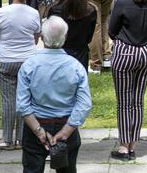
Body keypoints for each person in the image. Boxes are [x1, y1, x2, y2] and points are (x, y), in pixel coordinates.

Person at [16, 16, 92, 173]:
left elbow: (23, 105)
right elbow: (84, 104)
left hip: (35, 123)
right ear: (64, 38)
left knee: (32, 169)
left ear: (42, 38)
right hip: (66, 123)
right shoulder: (76, 67)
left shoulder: (29, 65)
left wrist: (39, 131)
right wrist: (66, 131)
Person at [108, 0, 147, 161]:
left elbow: (112, 29)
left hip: (125, 51)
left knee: (124, 102)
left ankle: (124, 147)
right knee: (137, 101)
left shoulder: (122, 2)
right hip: (145, 50)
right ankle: (133, 143)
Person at [0, 0, 41, 150]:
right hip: (28, 61)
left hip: (5, 61)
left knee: (8, 101)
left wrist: (3, 50)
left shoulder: (1, 13)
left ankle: (7, 139)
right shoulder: (34, 13)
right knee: (24, 99)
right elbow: (35, 39)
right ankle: (21, 138)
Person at [48, 0, 97, 69]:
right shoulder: (91, 10)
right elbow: (89, 38)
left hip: (59, 55)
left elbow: (51, 38)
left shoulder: (54, 10)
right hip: (81, 55)